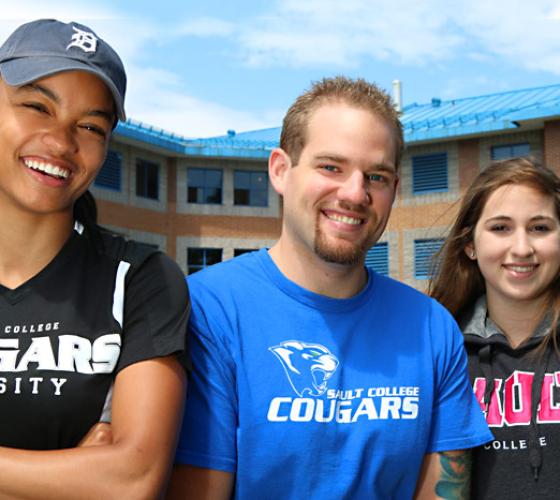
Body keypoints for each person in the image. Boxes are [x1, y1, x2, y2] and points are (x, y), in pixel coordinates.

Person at [167, 76, 491, 499]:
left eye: (376, 176)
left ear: (394, 189)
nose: (355, 194)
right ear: (281, 170)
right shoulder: (207, 309)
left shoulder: (430, 327)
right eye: (331, 167)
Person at [0, 19, 189, 498]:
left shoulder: (141, 278)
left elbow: (132, 480)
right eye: (37, 106)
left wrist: (107, 475)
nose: (62, 143)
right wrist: (72, 475)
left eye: (90, 126)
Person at [429, 157, 560, 499]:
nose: (522, 248)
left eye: (540, 228)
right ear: (470, 244)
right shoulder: (441, 351)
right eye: (501, 227)